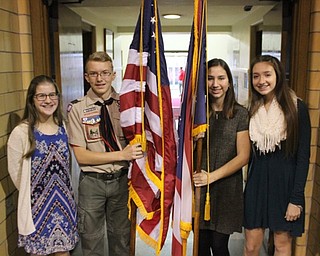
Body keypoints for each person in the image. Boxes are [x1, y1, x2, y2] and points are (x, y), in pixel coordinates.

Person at [67, 51, 143, 256]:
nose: (99, 79)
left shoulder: (127, 106)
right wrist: (121, 155)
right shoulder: (77, 109)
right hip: (92, 183)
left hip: (121, 183)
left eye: (104, 73)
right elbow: (81, 156)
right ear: (86, 77)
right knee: (91, 242)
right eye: (93, 74)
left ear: (113, 75)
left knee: (121, 240)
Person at [243, 55, 311, 256]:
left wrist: (296, 199)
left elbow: (303, 156)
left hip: (285, 186)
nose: (261, 81)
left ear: (278, 76)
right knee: (250, 246)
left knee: (281, 246)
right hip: (256, 185)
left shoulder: (297, 108)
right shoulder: (251, 109)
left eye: (267, 74)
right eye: (256, 76)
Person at [7, 75, 79, 256]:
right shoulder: (22, 132)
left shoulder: (63, 126)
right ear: (32, 99)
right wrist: (36, 195)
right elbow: (16, 173)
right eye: (41, 96)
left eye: (52, 95)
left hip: (63, 206)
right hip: (37, 210)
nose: (48, 100)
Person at [193, 58, 250, 255]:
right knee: (200, 246)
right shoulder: (196, 114)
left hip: (226, 189)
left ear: (229, 82)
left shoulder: (240, 114)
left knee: (218, 245)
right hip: (199, 186)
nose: (215, 84)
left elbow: (243, 156)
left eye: (221, 78)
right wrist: (192, 139)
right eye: (210, 78)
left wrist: (212, 176)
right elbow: (184, 152)